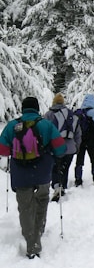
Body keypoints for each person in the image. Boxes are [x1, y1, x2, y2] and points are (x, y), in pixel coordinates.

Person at [0, 97, 66, 259]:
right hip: (42, 172)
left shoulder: (12, 126)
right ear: (37, 108)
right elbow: (61, 149)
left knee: (25, 207)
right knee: (42, 201)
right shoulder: (46, 125)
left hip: (20, 174)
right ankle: (39, 231)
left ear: (23, 109)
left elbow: (3, 150)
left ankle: (32, 241)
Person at [43, 93, 82, 202]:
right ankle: (62, 186)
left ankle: (57, 186)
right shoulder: (72, 115)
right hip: (70, 147)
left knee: (55, 168)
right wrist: (77, 146)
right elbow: (78, 133)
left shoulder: (49, 115)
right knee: (65, 167)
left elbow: (45, 132)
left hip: (55, 147)